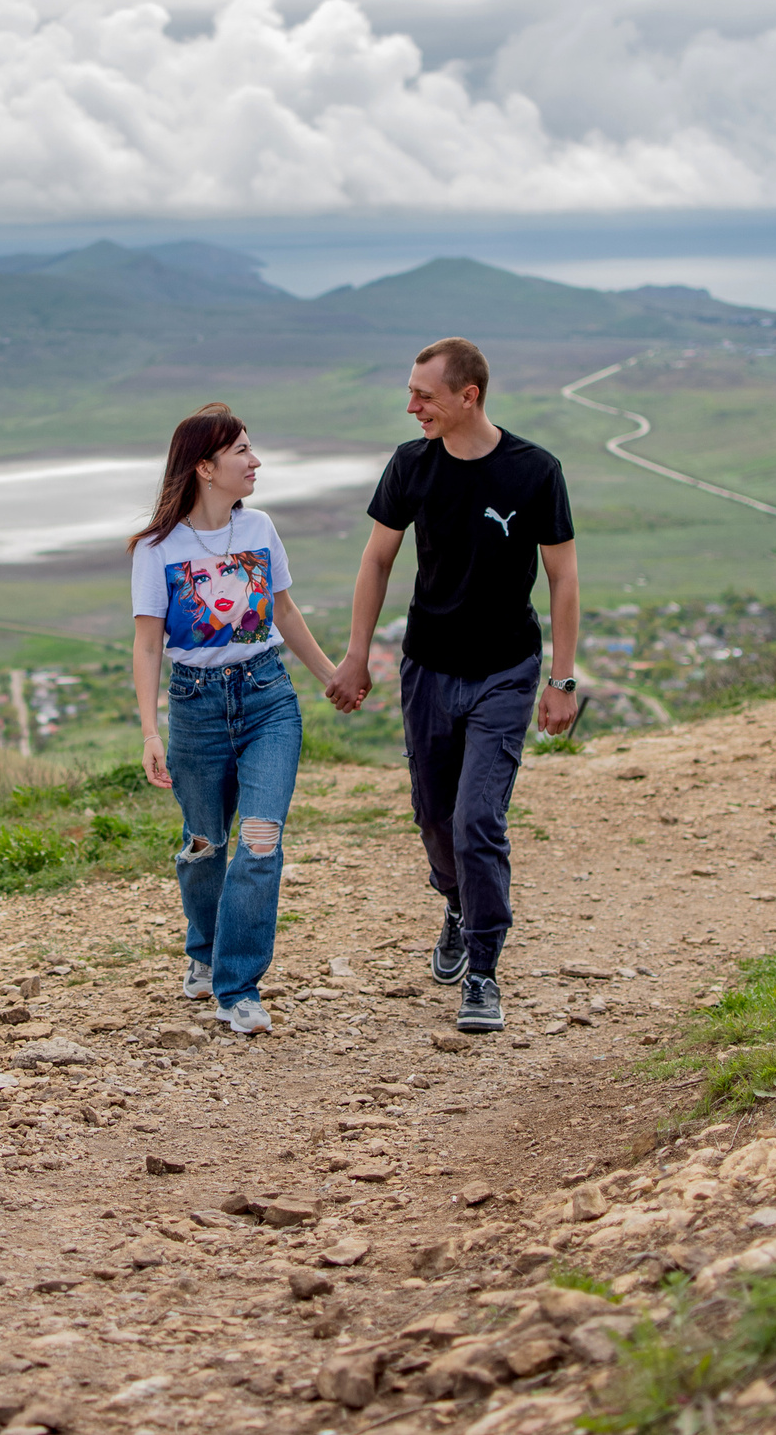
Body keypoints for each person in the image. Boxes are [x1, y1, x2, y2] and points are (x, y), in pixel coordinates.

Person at [324, 338, 579, 1034]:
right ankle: (458, 903)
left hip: (506, 671)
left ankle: (484, 971)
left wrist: (561, 679)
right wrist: (356, 655)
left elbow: (562, 578)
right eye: (410, 392)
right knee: (435, 817)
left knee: (477, 821)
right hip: (428, 669)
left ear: (469, 396)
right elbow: (377, 560)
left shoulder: (535, 471)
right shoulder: (411, 464)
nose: (412, 406)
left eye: (424, 395)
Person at [131, 404, 343, 1036]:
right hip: (195, 707)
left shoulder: (260, 529)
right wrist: (150, 731)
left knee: (260, 838)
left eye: (252, 448)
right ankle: (204, 949)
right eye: (242, 451)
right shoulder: (157, 549)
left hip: (266, 696)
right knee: (205, 846)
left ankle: (238, 987)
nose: (256, 461)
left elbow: (284, 611)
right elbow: (147, 645)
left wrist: (330, 675)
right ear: (205, 466)